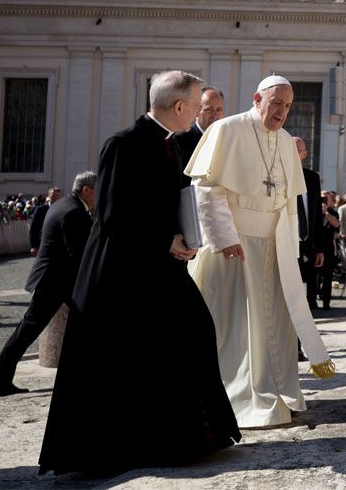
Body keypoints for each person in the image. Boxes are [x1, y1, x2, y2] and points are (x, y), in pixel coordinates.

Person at [39, 71, 240, 474]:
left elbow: (168, 203)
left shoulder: (173, 144)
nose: (202, 110)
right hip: (121, 269)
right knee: (126, 356)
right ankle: (126, 448)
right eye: (198, 103)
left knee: (189, 333)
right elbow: (114, 213)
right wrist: (166, 239)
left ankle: (181, 440)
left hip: (157, 262)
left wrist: (182, 234)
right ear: (180, 106)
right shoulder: (123, 144)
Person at [185, 75, 334, 429]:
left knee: (274, 323)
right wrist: (224, 237)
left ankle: (277, 390)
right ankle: (233, 397)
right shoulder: (227, 130)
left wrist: (291, 244)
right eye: (276, 103)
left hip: (272, 247)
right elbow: (205, 188)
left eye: (287, 105)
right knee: (236, 326)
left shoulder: (284, 141)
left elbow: (288, 201)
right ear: (257, 99)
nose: (282, 111)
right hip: (233, 247)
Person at [0, 172, 96, 397]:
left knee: (27, 330)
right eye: (98, 190)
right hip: (55, 282)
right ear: (86, 189)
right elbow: (78, 255)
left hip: (53, 279)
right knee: (27, 331)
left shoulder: (63, 204)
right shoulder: (74, 211)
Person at [294, 136, 325, 311]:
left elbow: (316, 215)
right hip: (289, 241)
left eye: (296, 151)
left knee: (312, 279)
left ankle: (312, 307)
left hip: (309, 239)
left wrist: (319, 247)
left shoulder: (312, 178)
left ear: (304, 154)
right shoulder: (279, 176)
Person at [174, 86, 226, 188]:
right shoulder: (181, 139)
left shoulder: (226, 140)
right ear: (197, 111)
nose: (215, 115)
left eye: (219, 109)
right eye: (209, 110)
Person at [319, 190, 340, 310]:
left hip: (328, 248)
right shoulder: (314, 211)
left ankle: (326, 302)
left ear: (331, 201)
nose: (324, 201)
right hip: (316, 247)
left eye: (327, 199)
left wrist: (326, 213)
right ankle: (312, 301)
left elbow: (336, 225)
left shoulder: (333, 213)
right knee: (315, 276)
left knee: (328, 276)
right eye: (322, 198)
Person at [29, 187, 62, 256]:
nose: (56, 198)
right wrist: (33, 246)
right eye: (53, 195)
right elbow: (34, 228)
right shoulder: (41, 210)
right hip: (43, 244)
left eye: (58, 195)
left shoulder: (62, 210)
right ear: (49, 196)